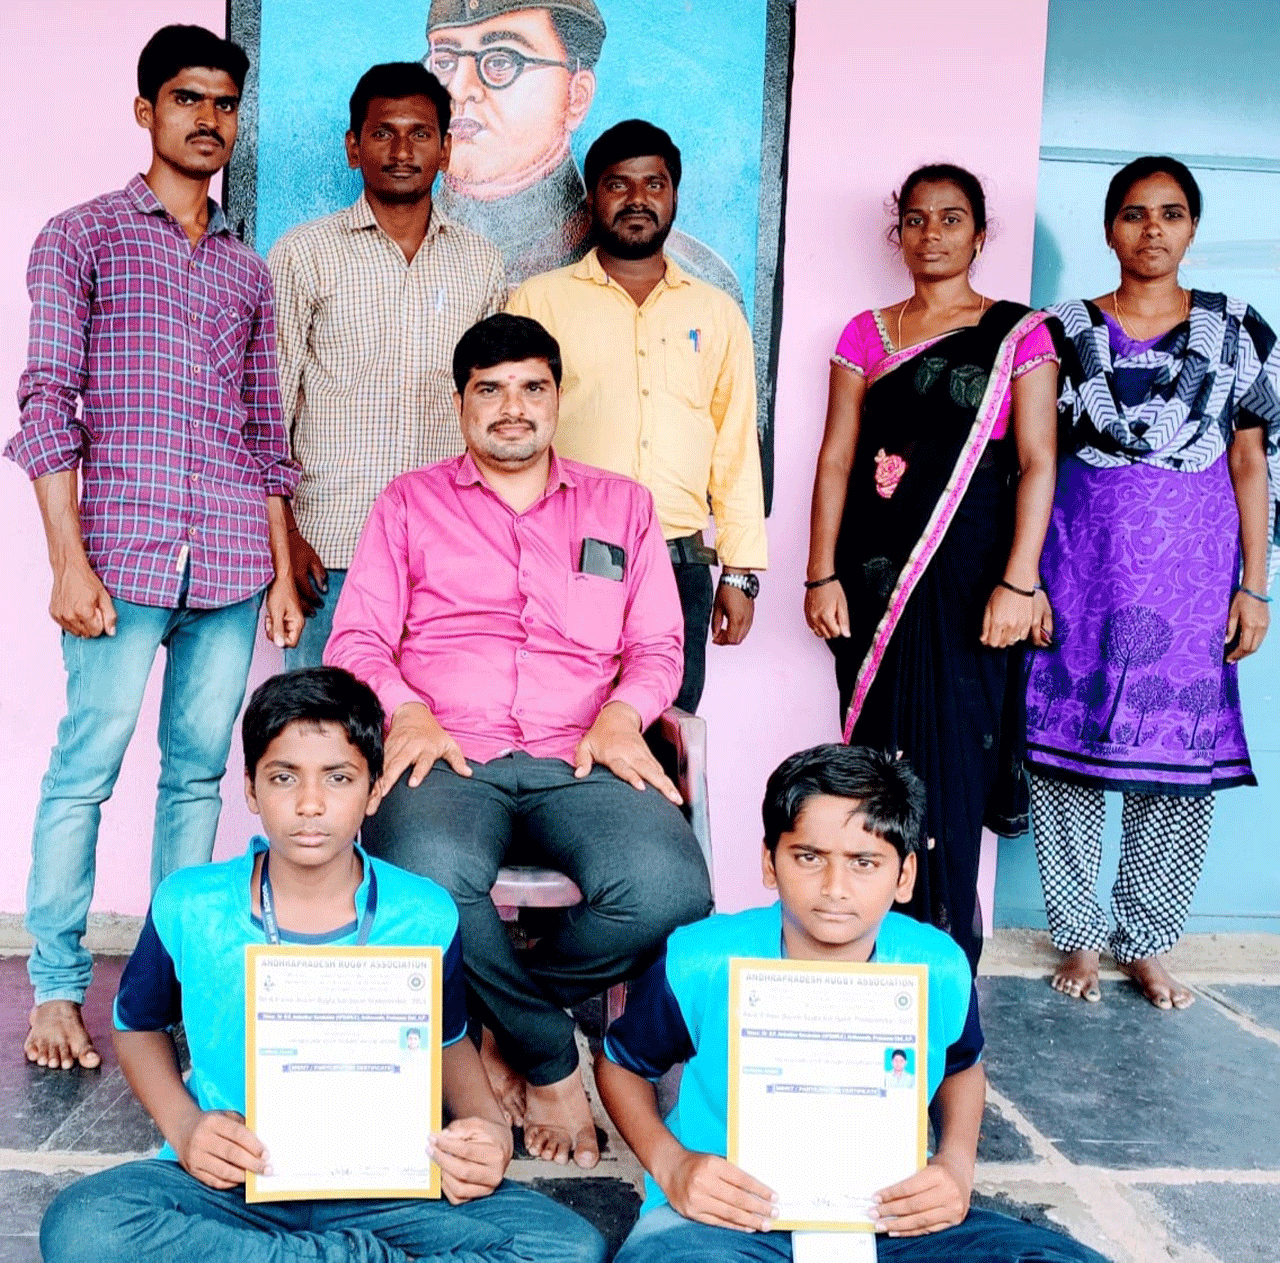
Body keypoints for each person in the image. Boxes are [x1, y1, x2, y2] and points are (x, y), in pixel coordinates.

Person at [38, 667, 606, 1263]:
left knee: (568, 1246)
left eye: (338, 778)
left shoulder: (425, 912)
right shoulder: (189, 903)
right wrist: (185, 1128)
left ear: (374, 790)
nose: (310, 804)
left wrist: (488, 1130)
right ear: (251, 789)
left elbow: (447, 1040)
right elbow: (137, 1026)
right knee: (82, 1226)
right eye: (283, 777)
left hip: (387, 1190)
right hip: (236, 1182)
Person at [325, 313, 712, 1169]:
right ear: (460, 403)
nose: (513, 407)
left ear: (557, 397)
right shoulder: (408, 503)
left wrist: (624, 713)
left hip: (586, 751)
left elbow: (657, 645)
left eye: (532, 387)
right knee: (425, 877)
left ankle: (500, 1029)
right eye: (490, 389)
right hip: (447, 752)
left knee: (669, 889)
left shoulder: (623, 506)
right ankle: (552, 1057)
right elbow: (356, 640)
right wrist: (405, 709)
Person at [5, 24, 303, 1072]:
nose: (207, 119)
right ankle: (55, 989)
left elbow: (264, 434)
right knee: (84, 772)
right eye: (187, 98)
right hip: (119, 558)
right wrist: (66, 562)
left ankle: (166, 985)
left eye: (224, 103)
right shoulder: (79, 237)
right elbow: (47, 404)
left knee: (196, 780)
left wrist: (280, 573)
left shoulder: (246, 270)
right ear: (146, 111)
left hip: (229, 562)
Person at [596, 743, 1109, 1263]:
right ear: (770, 862)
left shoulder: (936, 966)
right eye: (808, 857)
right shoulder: (703, 959)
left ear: (904, 876)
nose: (834, 888)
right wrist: (673, 1166)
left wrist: (956, 1165)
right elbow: (620, 1065)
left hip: (892, 1218)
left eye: (864, 862)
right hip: (726, 1219)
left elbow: (962, 1066)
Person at [1025, 156, 1280, 1010]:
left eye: (1171, 213)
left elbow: (1252, 463)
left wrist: (1255, 587)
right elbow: (1032, 460)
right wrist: (1027, 581)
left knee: (1173, 768)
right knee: (1067, 761)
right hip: (1079, 571)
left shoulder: (1236, 333)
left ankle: (1147, 941)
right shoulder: (1059, 334)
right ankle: (1078, 935)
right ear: (1109, 229)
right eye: (1134, 214)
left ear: (1193, 227)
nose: (1153, 230)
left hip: (1194, 584)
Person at [804, 163, 1060, 972]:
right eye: (916, 219)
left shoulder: (1019, 336)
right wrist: (820, 573)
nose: (932, 234)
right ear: (898, 234)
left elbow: (1038, 462)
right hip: (875, 584)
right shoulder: (866, 334)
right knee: (877, 778)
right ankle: (870, 957)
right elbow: (837, 458)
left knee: (950, 771)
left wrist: (1019, 582)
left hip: (971, 586)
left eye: (951, 219)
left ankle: (946, 970)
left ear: (980, 235)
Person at [509, 120, 767, 712]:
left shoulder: (716, 312)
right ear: (591, 198)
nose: (637, 199)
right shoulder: (539, 301)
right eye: (617, 184)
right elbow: (511, 433)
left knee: (668, 726)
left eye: (654, 184)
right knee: (562, 720)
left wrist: (739, 573)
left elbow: (734, 448)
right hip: (566, 556)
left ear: (673, 195)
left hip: (678, 562)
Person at [269, 62, 506, 669]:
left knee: (437, 722)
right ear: (354, 147)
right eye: (383, 133)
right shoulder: (303, 254)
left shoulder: (481, 264)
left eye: (420, 134)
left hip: (448, 554)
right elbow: (268, 416)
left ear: (446, 149)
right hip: (328, 552)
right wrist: (286, 541)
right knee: (322, 722)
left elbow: (492, 416)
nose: (402, 152)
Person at [423, 0, 743, 300]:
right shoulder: (397, 257)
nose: (458, 89)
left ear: (576, 96)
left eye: (500, 62)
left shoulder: (692, 285)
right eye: (444, 63)